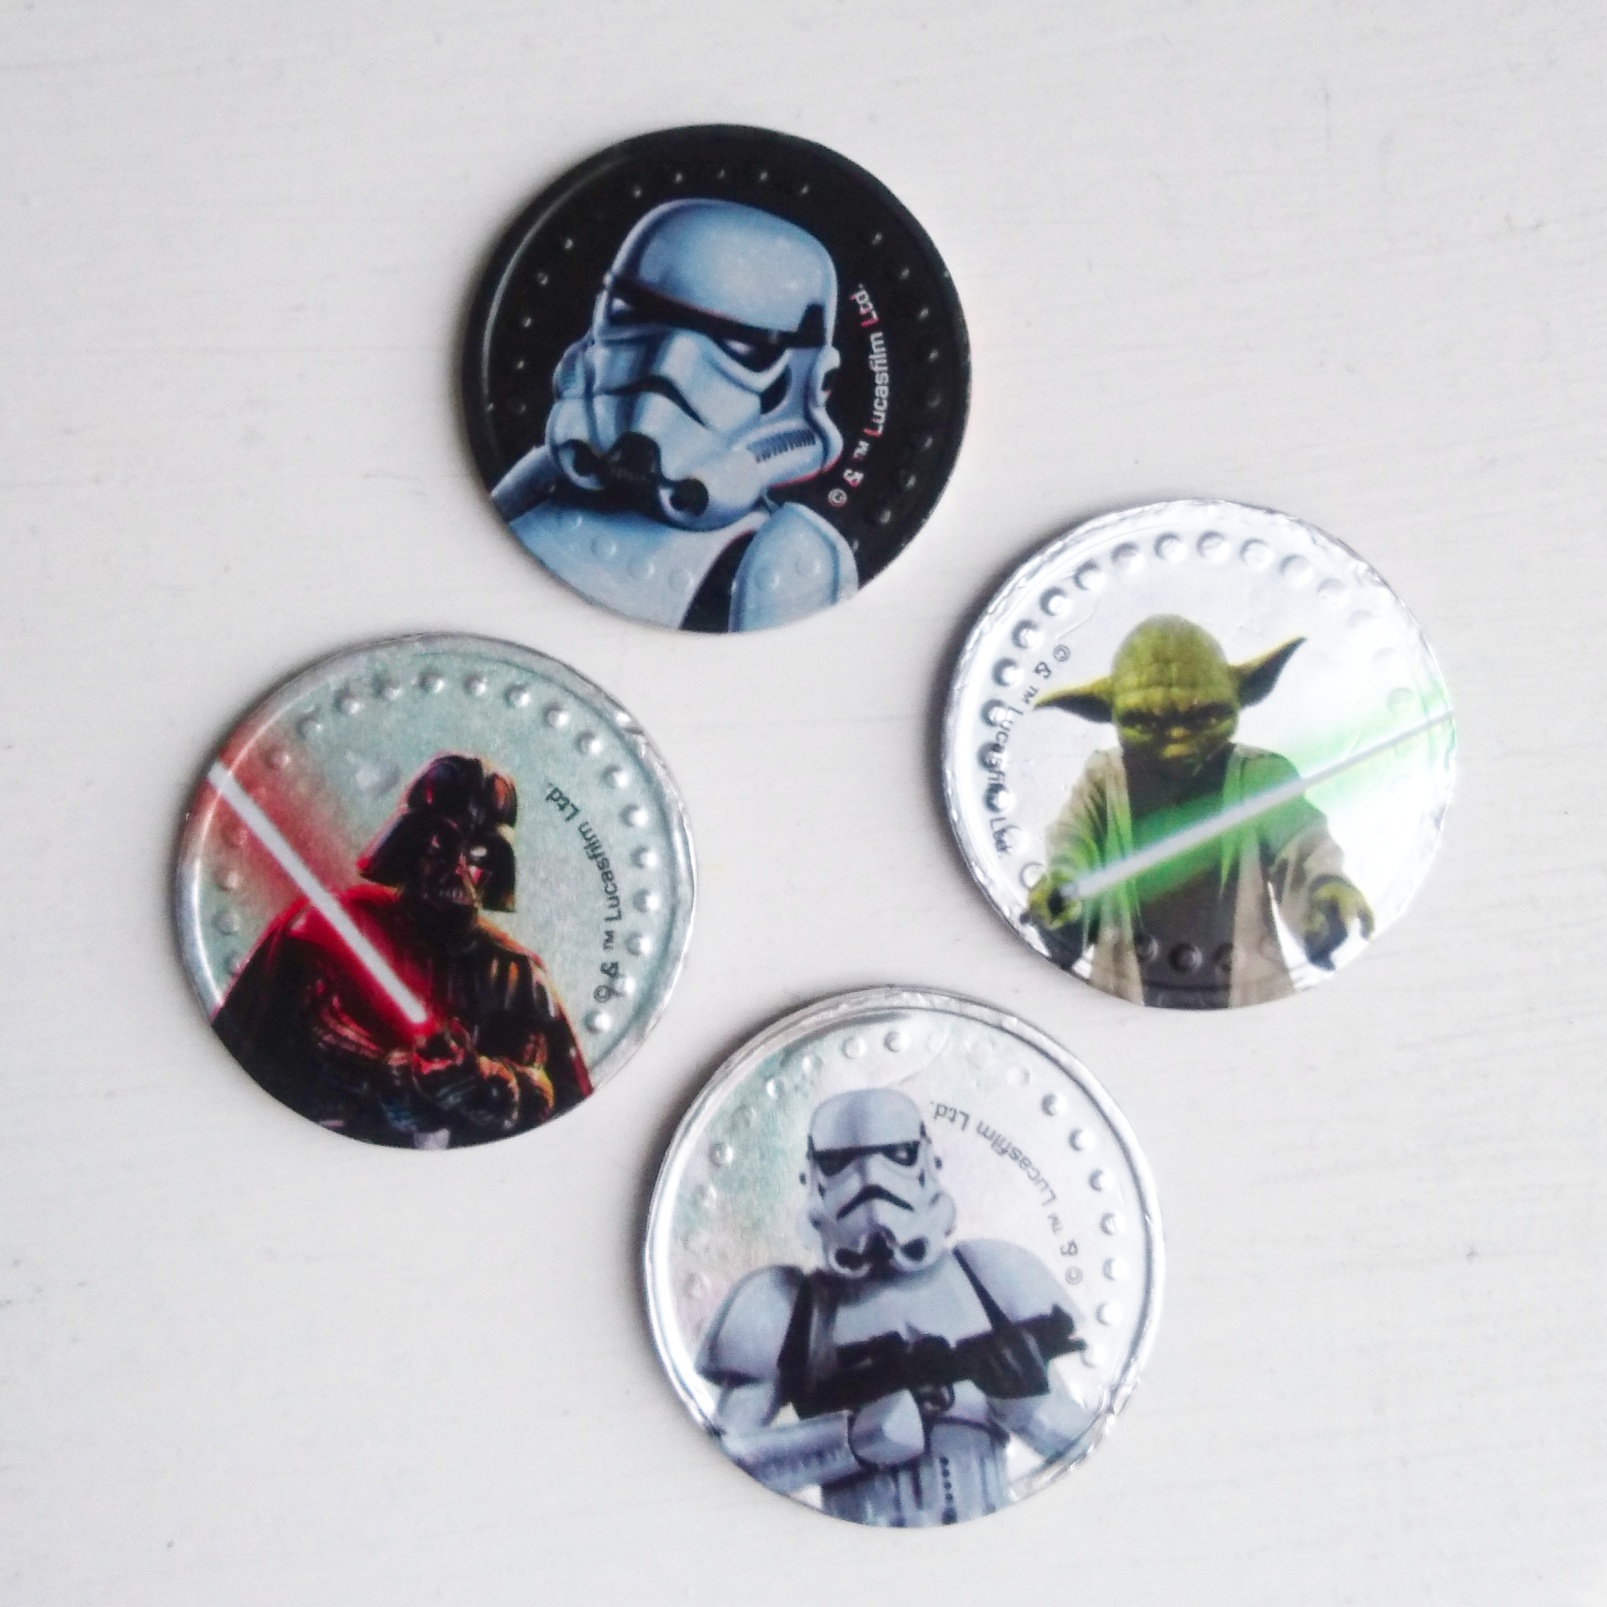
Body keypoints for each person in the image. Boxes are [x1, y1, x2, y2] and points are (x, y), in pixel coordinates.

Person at [695, 1089, 1096, 1526]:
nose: (870, 1178)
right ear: (812, 1176)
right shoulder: (787, 1305)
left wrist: (1028, 1406)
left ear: (928, 1161)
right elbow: (721, 1461)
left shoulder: (992, 1275)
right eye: (840, 1162)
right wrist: (850, 1441)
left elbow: (1084, 1446)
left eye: (897, 1155)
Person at [490, 197, 856, 632]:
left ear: (813, 381)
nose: (668, 368)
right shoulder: (545, 476)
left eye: (738, 345)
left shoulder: (784, 557)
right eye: (633, 315)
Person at [214, 754, 588, 1147]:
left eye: (478, 853)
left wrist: (492, 1084)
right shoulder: (328, 929)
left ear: (496, 867)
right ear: (412, 842)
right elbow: (248, 1056)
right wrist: (392, 1073)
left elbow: (566, 1109)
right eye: (443, 841)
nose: (457, 867)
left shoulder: (518, 977)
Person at [1026, 614, 1374, 1008]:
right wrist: (1064, 889)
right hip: (1125, 994)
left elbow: (1300, 842)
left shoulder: (1260, 775)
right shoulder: (1105, 779)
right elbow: (1075, 843)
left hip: (1244, 990)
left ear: (1241, 696)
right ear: (1109, 712)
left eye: (1206, 716)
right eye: (1144, 722)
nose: (1177, 741)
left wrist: (1325, 890)